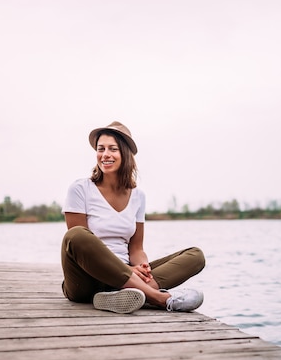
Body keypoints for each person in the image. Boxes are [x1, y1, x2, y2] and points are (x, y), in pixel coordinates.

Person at [61, 121, 205, 313]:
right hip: (85, 281)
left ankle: (124, 293)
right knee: (77, 235)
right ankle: (158, 298)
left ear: (125, 154)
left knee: (195, 256)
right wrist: (128, 271)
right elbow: (79, 247)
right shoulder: (80, 189)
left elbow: (136, 248)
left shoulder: (138, 196)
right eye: (100, 149)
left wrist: (142, 267)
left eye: (113, 149)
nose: (105, 155)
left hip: (127, 273)